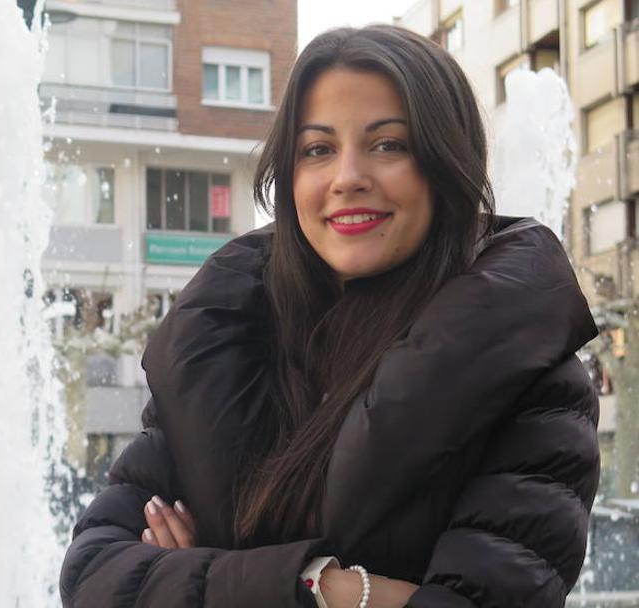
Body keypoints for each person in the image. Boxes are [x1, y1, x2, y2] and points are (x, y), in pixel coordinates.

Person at [60, 25, 599, 608]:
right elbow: (94, 574)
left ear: (446, 164)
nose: (347, 178)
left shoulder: (525, 372)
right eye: (317, 149)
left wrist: (201, 573)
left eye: (389, 144)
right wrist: (323, 587)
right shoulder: (222, 344)